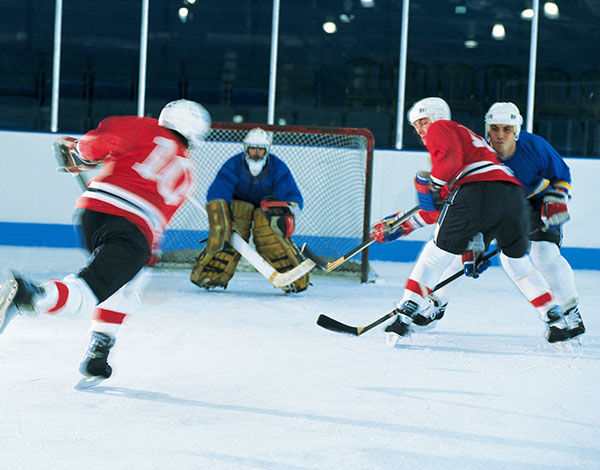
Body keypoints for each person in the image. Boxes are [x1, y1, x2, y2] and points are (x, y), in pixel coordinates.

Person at [0, 99, 211, 386]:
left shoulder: (145, 128)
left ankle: (98, 354)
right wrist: (147, 254)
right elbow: (158, 217)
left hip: (93, 214)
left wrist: (78, 153)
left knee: (122, 285)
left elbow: (101, 140)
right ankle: (31, 295)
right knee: (86, 293)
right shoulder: (188, 174)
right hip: (134, 231)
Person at [372, 97, 570, 345]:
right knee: (518, 265)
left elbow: (452, 177)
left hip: (476, 192)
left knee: (435, 256)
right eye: (416, 126)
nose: (421, 130)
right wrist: (406, 224)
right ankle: (555, 319)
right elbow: (443, 210)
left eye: (423, 122)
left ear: (436, 117)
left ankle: (406, 311)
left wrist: (429, 185)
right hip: (511, 196)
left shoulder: (441, 128)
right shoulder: (471, 143)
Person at [190, 127, 310, 293]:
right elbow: (219, 190)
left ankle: (294, 280)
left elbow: (292, 194)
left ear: (267, 150)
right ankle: (211, 276)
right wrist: (220, 211)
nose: (256, 153)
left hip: (267, 209)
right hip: (239, 207)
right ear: (246, 148)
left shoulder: (277, 166)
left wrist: (290, 210)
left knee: (271, 238)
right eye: (253, 148)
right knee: (227, 237)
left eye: (261, 149)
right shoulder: (234, 164)